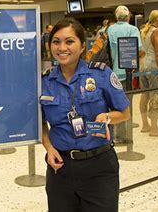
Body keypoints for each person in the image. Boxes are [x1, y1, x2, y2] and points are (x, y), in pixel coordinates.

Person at [41, 17, 130, 211]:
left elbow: (124, 112)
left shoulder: (101, 74)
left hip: (99, 167)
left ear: (82, 46)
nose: (62, 47)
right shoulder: (44, 81)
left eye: (69, 41)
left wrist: (107, 117)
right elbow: (40, 123)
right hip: (60, 168)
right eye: (56, 42)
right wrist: (48, 147)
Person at [107, 5, 144, 143]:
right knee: (125, 105)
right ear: (128, 17)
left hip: (110, 72)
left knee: (112, 104)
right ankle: (122, 137)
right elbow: (138, 49)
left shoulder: (110, 29)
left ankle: (112, 135)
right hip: (126, 73)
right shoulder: (132, 29)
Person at [138, 10, 158, 137]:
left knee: (144, 95)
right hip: (154, 67)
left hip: (143, 67)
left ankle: (145, 125)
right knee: (155, 97)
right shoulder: (156, 32)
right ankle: (154, 129)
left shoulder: (143, 31)